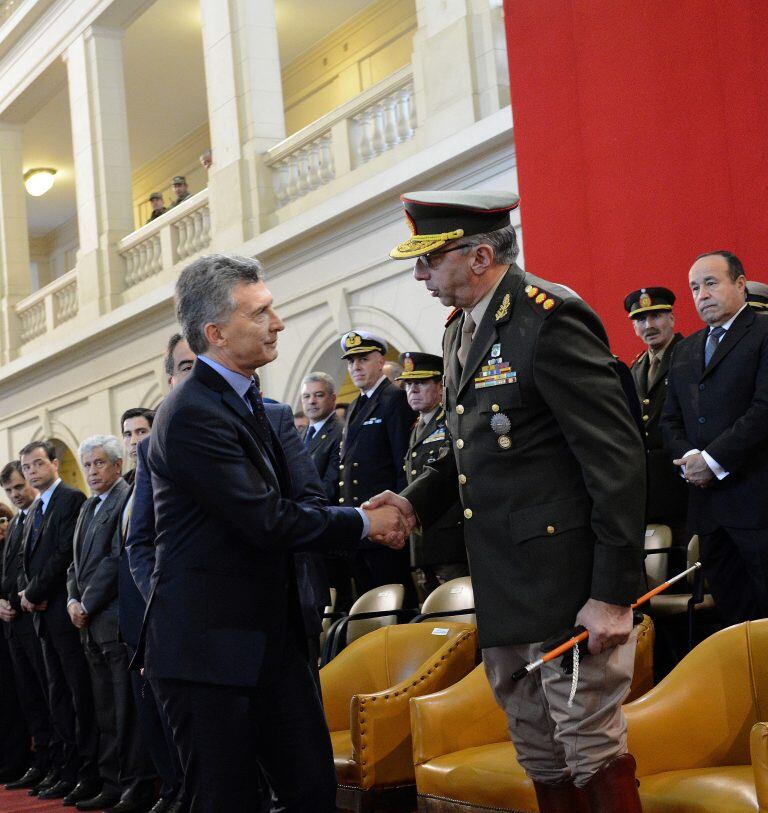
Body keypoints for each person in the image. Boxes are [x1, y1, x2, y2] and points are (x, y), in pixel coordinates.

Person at [368, 190, 646, 812]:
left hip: (567, 582)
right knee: (537, 746)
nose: (419, 276)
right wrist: (412, 503)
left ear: (479, 255)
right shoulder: (461, 329)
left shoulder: (548, 318)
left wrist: (612, 593)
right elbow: (475, 450)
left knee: (587, 745)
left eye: (429, 261)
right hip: (502, 577)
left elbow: (615, 460)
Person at [135, 254, 404, 812]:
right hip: (209, 653)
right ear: (216, 332)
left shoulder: (247, 398)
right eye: (260, 313)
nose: (277, 323)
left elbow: (294, 501)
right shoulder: (190, 412)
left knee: (311, 792)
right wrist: (363, 522)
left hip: (270, 642)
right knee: (225, 799)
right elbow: (264, 519)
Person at [662, 250, 768, 625]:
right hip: (709, 512)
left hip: (757, 505)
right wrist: (691, 457)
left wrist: (711, 461)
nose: (701, 295)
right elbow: (669, 419)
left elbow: (763, 410)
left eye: (710, 283)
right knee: (736, 624)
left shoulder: (763, 333)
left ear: (739, 284)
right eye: (694, 287)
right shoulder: (687, 349)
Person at [120, 335, 193, 813]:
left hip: (241, 612)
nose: (134, 442)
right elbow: (138, 544)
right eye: (185, 366)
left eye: (138, 433)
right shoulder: (148, 465)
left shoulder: (266, 419)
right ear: (170, 379)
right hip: (160, 613)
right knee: (164, 719)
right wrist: (158, 600)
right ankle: (177, 789)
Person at [65, 436, 154, 813]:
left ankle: (136, 786)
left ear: (118, 466)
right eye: (87, 465)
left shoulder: (124, 498)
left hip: (114, 620)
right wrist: (71, 598)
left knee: (125, 710)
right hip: (88, 623)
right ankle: (111, 780)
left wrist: (86, 601)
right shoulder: (88, 506)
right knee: (103, 709)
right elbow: (74, 564)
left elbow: (116, 559)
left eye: (99, 463)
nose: (92, 471)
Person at [18, 441, 99, 803]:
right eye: (27, 466)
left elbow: (64, 553)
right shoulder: (36, 508)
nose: (32, 471)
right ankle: (67, 768)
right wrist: (25, 593)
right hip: (40, 617)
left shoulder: (69, 500)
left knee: (79, 695)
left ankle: (89, 770)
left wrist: (32, 593)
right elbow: (26, 561)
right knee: (58, 697)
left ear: (54, 463)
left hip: (61, 615)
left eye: (38, 464)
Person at [339, 330, 417, 603]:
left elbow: (402, 463)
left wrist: (399, 518)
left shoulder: (394, 398)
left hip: (385, 523)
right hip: (361, 526)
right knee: (371, 608)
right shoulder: (354, 406)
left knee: (396, 602)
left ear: (380, 360)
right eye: (351, 362)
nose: (355, 367)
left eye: (362, 359)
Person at [0, 462, 54, 792]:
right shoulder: (21, 521)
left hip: (38, 619)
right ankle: (44, 761)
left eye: (19, 486)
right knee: (31, 699)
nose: (16, 494)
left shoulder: (41, 516)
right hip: (15, 624)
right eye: (9, 490)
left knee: (50, 699)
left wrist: (25, 596)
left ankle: (57, 763)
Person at [398, 352, 468, 600]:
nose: (413, 390)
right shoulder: (417, 427)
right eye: (408, 384)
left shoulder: (450, 421)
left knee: (456, 613)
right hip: (423, 542)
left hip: (449, 541)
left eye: (421, 382)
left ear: (440, 387)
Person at [625, 287, 688, 549]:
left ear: (671, 319)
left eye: (656, 316)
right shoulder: (636, 366)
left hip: (682, 481)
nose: (649, 325)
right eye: (640, 319)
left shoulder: (689, 354)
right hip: (650, 486)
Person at [300, 371, 351, 610]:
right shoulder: (301, 435)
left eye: (318, 395)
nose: (311, 401)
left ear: (332, 398)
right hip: (309, 529)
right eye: (307, 396)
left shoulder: (340, 431)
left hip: (328, 526)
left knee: (336, 602)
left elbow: (331, 483)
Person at [0, 500, 31, 783]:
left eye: (3, 519)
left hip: (18, 626)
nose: (1, 525)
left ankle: (17, 758)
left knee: (14, 697)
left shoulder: (16, 542)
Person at [120, 408, 155, 485]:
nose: (133, 441)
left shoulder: (169, 474)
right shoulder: (124, 483)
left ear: (155, 434)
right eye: (128, 435)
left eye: (141, 432)